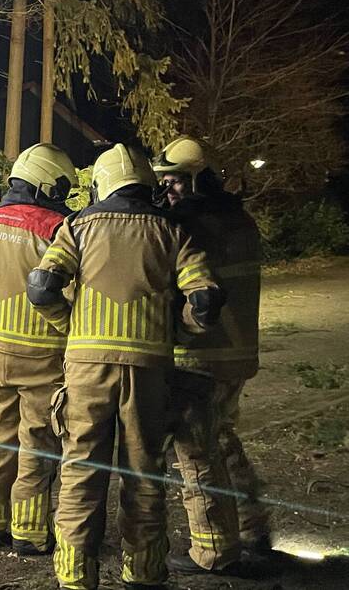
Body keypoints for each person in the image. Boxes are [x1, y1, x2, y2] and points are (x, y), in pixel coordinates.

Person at [28, 143, 225, 590]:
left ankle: (76, 576)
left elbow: (41, 287)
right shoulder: (172, 230)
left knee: (80, 471)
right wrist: (178, 331)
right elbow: (205, 299)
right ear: (147, 185)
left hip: (86, 371)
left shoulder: (76, 226)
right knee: (144, 474)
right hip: (149, 371)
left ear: (101, 184)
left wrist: (71, 325)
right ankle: (143, 573)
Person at [153, 136, 271, 574]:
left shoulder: (190, 225)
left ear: (197, 179)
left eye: (175, 181)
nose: (168, 190)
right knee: (223, 439)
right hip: (237, 353)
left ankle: (214, 550)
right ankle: (251, 528)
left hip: (201, 354)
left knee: (196, 449)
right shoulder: (239, 218)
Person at [0, 144, 77, 554]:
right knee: (36, 440)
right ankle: (28, 532)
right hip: (44, 352)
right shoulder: (57, 227)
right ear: (49, 183)